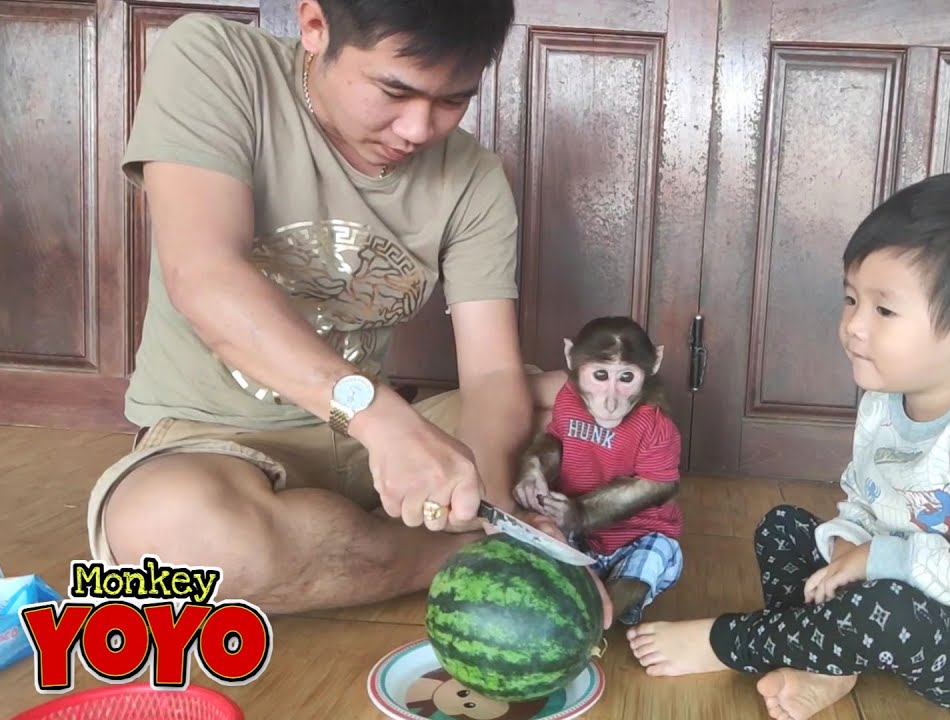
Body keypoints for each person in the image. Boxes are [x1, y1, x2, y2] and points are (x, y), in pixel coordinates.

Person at [84, 0, 599, 618]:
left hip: (372, 447)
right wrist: (382, 421)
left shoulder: (473, 177)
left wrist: (493, 504)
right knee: (174, 539)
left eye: (452, 100)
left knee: (605, 402)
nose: (417, 129)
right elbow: (205, 277)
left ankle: (409, 539)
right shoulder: (216, 63)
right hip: (214, 443)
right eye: (393, 90)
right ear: (314, 26)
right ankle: (439, 556)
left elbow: (491, 375)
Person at [626, 169, 950, 719]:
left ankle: (730, 644)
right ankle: (829, 665)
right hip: (889, 592)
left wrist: (878, 559)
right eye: (850, 298)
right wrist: (849, 544)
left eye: (884, 310)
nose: (853, 326)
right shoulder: (885, 400)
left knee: (882, 604)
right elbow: (865, 499)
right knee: (784, 527)